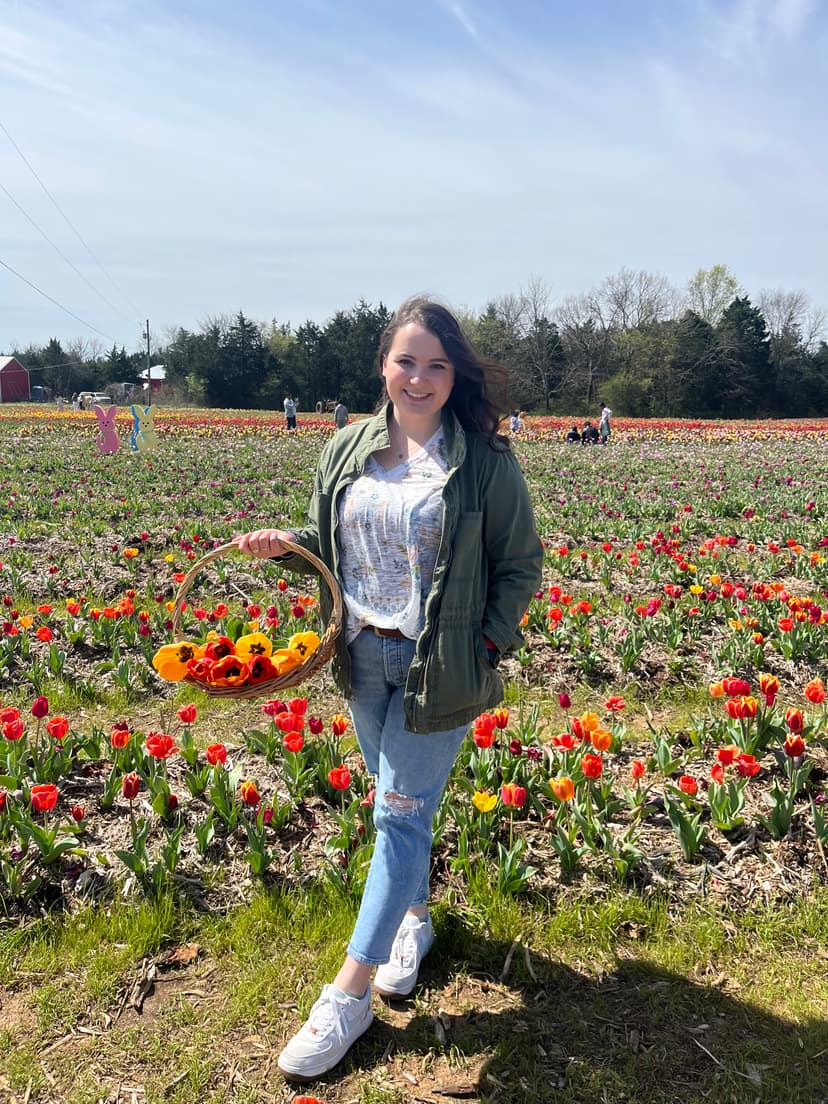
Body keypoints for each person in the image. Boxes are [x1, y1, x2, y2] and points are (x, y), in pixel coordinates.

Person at [235, 296, 543, 1081]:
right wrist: (282, 546)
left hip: (438, 667)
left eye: (437, 364)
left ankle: (349, 995)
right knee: (396, 804)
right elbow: (324, 543)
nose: (420, 377)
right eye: (407, 360)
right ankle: (416, 922)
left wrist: (483, 643)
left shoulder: (483, 461)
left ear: (454, 375)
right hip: (360, 659)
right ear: (383, 367)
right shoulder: (345, 450)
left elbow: (521, 566)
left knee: (398, 820)